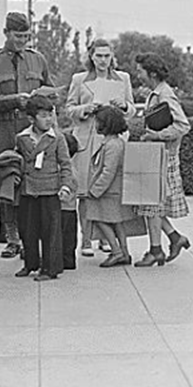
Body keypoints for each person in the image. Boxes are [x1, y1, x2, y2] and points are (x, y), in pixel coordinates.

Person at [0, 12, 54, 259]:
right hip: (5, 128)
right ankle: (11, 237)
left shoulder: (38, 60)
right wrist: (15, 100)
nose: (22, 40)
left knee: (33, 179)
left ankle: (29, 235)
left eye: (26, 35)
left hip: (32, 129)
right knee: (7, 179)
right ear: (6, 33)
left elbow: (50, 92)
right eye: (17, 35)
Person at [65, 38, 136, 258]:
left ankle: (106, 239)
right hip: (87, 140)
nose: (103, 61)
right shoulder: (79, 79)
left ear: (112, 56)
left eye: (107, 56)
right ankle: (86, 239)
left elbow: (132, 108)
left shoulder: (123, 78)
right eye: (98, 56)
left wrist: (123, 106)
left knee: (110, 191)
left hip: (113, 139)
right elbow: (68, 108)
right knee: (86, 191)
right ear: (91, 56)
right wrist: (85, 108)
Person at [132, 53, 192, 266]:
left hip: (163, 157)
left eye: (141, 71)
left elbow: (183, 125)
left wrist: (157, 135)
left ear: (152, 73)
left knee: (152, 205)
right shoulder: (157, 93)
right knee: (150, 205)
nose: (138, 74)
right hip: (156, 155)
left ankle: (156, 250)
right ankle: (174, 239)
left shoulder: (165, 94)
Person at [14, 95, 74, 281]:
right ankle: (30, 263)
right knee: (27, 229)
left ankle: (50, 268)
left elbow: (65, 164)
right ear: (31, 119)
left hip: (49, 189)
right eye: (43, 116)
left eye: (50, 115)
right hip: (28, 189)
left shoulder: (57, 138)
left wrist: (65, 186)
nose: (48, 119)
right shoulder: (22, 138)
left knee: (50, 231)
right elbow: (17, 161)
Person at [86, 106, 137, 267]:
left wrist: (95, 191)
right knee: (117, 222)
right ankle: (124, 252)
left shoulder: (112, 145)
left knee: (98, 219)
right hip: (114, 191)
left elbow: (108, 172)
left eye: (98, 122)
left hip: (108, 192)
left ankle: (116, 252)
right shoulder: (116, 142)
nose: (95, 125)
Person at [61, 132, 80, 271]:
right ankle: (69, 260)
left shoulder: (64, 170)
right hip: (71, 208)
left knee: (60, 236)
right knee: (70, 237)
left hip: (61, 207)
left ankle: (62, 259)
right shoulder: (74, 168)